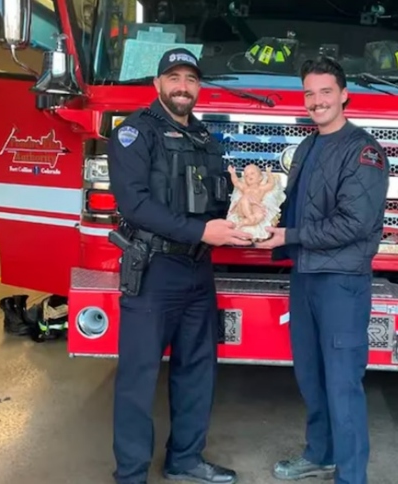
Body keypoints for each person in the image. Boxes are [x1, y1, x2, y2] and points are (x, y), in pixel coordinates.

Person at [107, 47, 250, 484]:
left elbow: (218, 201)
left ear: (198, 87)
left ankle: (185, 459)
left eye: (190, 79)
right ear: (158, 85)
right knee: (138, 377)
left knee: (197, 370)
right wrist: (201, 233)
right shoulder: (136, 132)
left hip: (197, 270)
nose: (182, 87)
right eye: (174, 78)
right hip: (154, 268)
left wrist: (250, 203)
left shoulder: (206, 139)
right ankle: (131, 474)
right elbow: (134, 204)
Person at [256, 56, 389, 484]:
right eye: (310, 93)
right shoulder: (309, 146)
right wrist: (255, 223)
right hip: (306, 276)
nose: (317, 101)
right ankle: (321, 454)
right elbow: (292, 210)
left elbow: (355, 223)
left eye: (326, 92)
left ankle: (352, 476)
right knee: (310, 374)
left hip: (342, 283)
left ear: (344, 94)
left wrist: (287, 237)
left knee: (342, 384)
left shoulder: (363, 151)